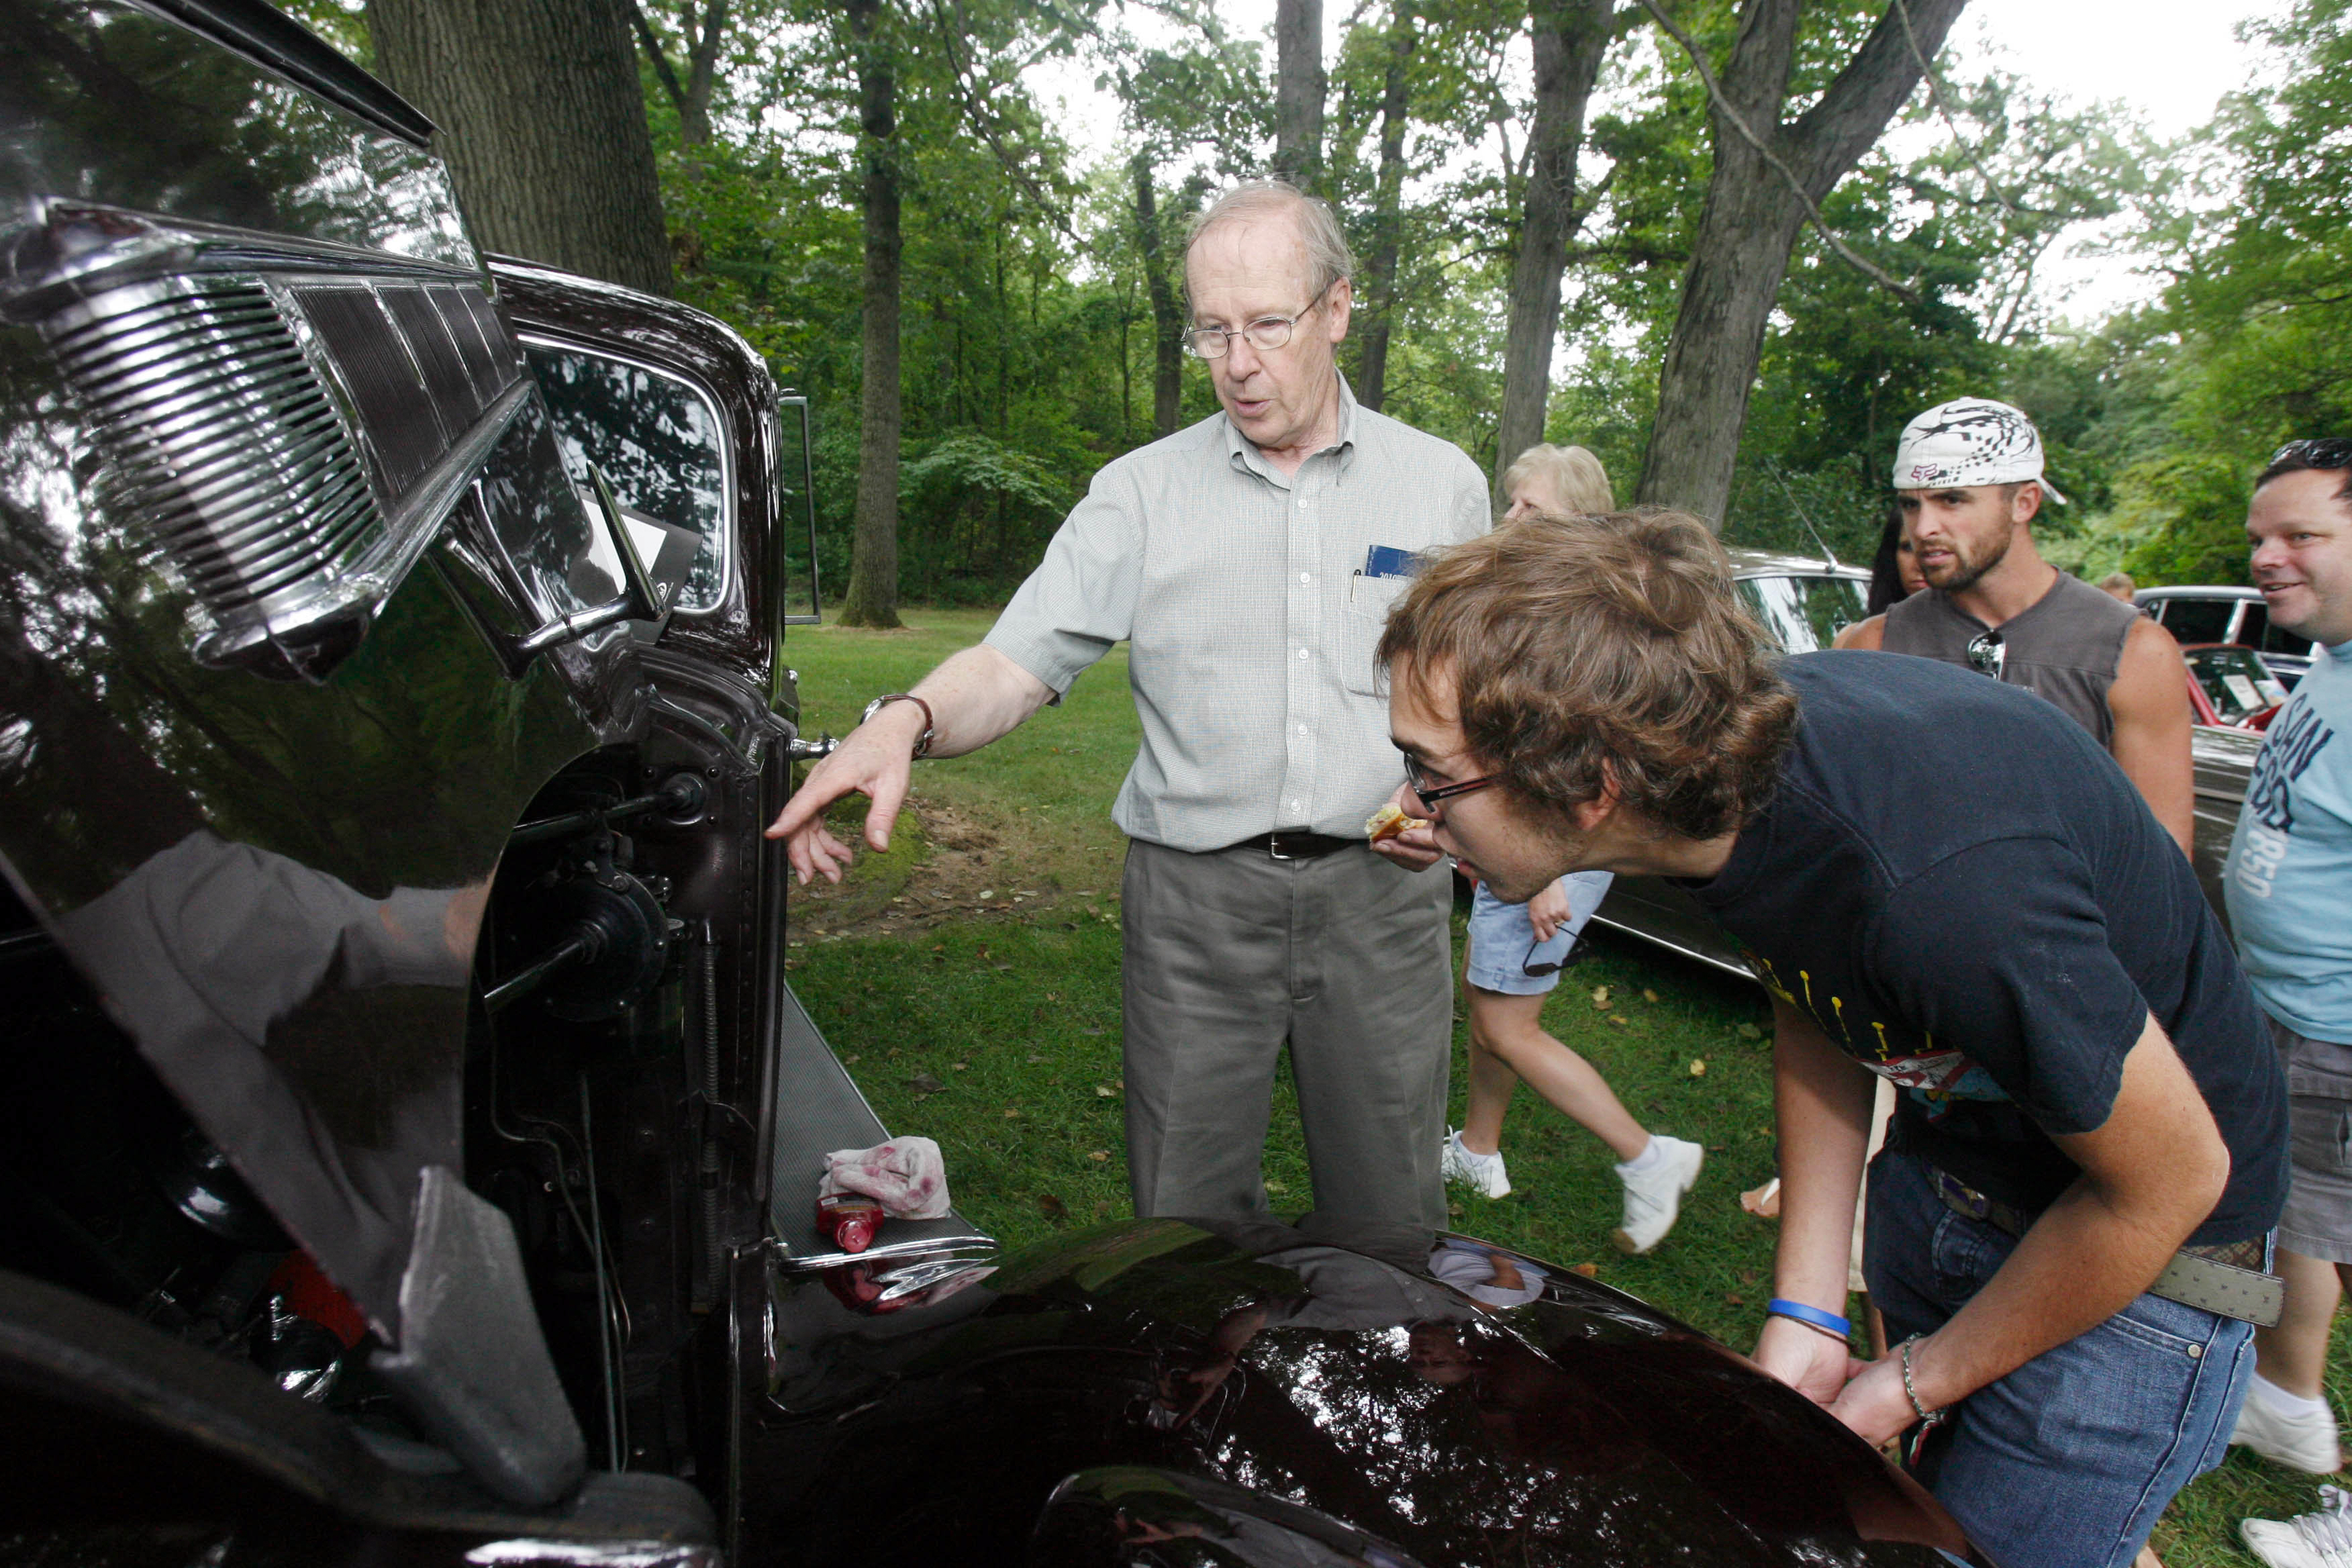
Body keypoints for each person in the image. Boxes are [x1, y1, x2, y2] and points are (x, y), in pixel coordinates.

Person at [1373, 512, 2288, 1568]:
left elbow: (2171, 1181)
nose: (1410, 805)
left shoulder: (1946, 896)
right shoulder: (1716, 789)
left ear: (1588, 788)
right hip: (1948, 1184)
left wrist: (1914, 1383)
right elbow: (1813, 985)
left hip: (2141, 1262)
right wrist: (1808, 1303)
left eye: (1431, 771)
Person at [766, 181, 1488, 1228]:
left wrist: (1449, 803)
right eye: (1212, 332)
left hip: (1383, 909)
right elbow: (1016, 662)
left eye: (1269, 327)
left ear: (1336, 310)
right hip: (1195, 913)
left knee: (1391, 1223)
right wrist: (902, 721)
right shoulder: (1142, 493)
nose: (1238, 364)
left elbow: (1481, 699)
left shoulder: (1442, 488)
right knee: (1182, 1237)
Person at [1438, 443, 1701, 1256]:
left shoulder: (1584, 624)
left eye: (1533, 510)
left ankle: (1648, 1156)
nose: (1510, 518)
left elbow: (1596, 765)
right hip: (1527, 847)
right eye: (1512, 503)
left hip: (1550, 854)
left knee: (1509, 1028)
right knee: (1494, 1012)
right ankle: (1479, 1149)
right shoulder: (1549, 602)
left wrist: (1553, 872)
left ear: (1581, 524)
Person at [1840, 397, 2195, 854]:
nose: (1923, 528)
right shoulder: (1875, 643)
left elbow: (2164, 866)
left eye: (1952, 499)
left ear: (2024, 502)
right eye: (1911, 505)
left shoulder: (2133, 651)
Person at [2222, 442, 2352, 1557]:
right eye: (2258, 536)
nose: (2265, 558)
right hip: (2293, 1015)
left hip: (2342, 1034)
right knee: (2300, 1216)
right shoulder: (2332, 660)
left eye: (2298, 535)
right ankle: (2286, 1402)